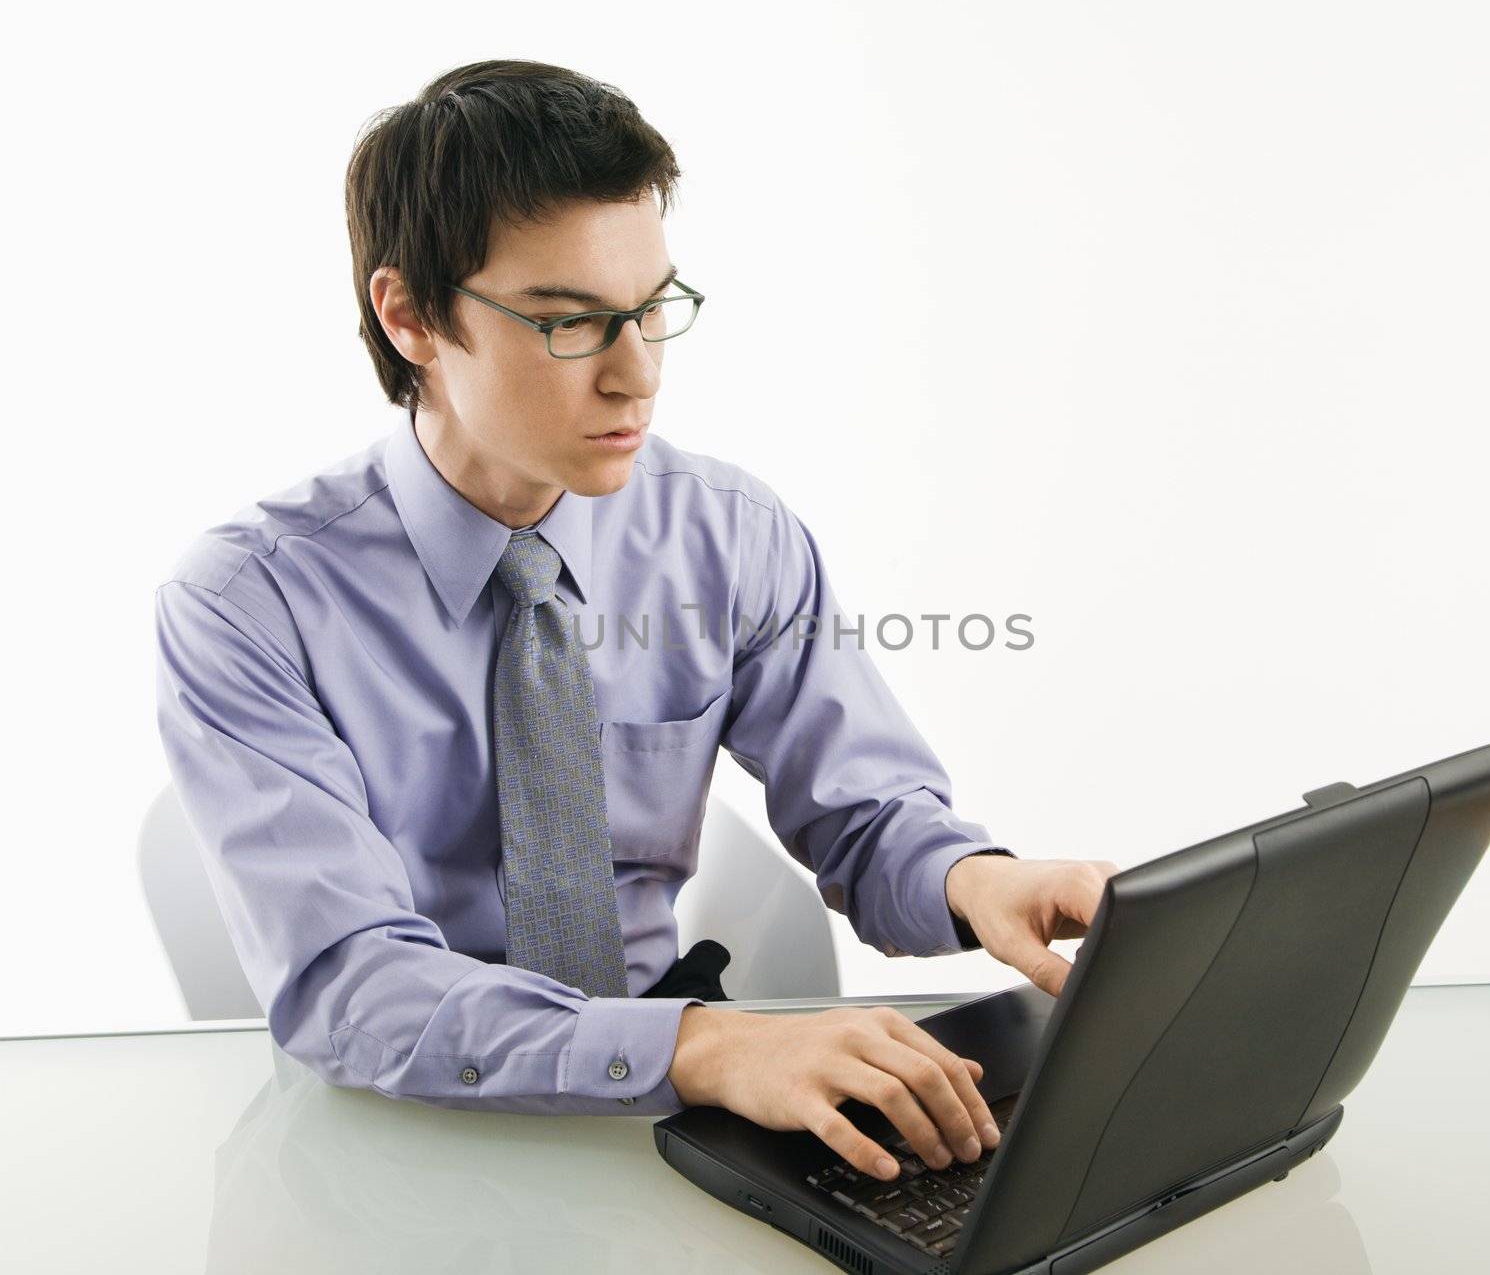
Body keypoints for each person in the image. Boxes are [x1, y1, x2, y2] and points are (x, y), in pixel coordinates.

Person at [153, 58, 1116, 1188]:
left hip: (676, 1117)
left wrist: (973, 878)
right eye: (570, 325)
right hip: (408, 1142)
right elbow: (352, 986)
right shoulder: (248, 603)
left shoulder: (729, 533)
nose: (636, 376)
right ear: (409, 314)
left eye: (653, 309)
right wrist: (697, 1043)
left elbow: (865, 815)